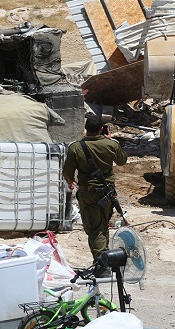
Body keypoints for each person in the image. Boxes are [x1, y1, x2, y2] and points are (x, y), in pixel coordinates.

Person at [63, 115, 128, 276]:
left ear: (85, 128)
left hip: (88, 193)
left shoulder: (76, 147)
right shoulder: (111, 145)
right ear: (101, 129)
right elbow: (122, 160)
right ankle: (105, 259)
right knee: (102, 226)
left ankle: (102, 265)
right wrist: (110, 140)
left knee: (95, 229)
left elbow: (68, 172)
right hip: (107, 193)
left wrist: (70, 181)